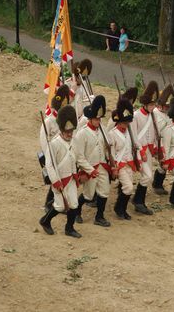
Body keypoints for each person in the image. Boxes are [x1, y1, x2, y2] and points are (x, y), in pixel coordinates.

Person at [39, 105, 82, 238]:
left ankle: (69, 228)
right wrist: (56, 181)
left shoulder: (73, 141)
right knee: (59, 206)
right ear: (62, 130)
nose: (70, 134)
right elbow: (50, 165)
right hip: (59, 179)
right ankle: (45, 221)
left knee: (74, 203)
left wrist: (75, 174)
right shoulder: (54, 144)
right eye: (67, 131)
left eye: (71, 131)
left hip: (71, 178)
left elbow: (72, 158)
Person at [72, 95, 112, 227]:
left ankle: (99, 216)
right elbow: (79, 157)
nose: (98, 121)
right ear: (90, 119)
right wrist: (90, 170)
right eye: (96, 119)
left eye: (100, 118)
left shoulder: (103, 130)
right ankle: (77, 212)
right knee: (88, 195)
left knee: (104, 191)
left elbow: (108, 147)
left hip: (102, 166)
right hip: (90, 167)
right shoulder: (81, 133)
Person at [39, 84, 72, 213]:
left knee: (64, 178)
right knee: (55, 179)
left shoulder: (65, 119)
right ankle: (49, 204)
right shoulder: (49, 121)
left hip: (64, 152)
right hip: (53, 154)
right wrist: (50, 156)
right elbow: (44, 140)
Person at [108, 99, 141, 220]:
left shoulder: (130, 132)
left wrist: (138, 159)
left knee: (127, 187)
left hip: (130, 163)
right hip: (120, 164)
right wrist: (114, 168)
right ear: (119, 121)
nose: (127, 124)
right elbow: (111, 153)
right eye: (125, 122)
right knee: (128, 187)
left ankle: (122, 209)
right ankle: (118, 208)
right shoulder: (112, 133)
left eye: (128, 122)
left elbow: (135, 145)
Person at [131, 81, 159, 215]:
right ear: (146, 104)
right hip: (139, 150)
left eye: (154, 104)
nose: (153, 107)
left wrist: (154, 146)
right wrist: (140, 150)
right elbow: (134, 135)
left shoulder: (152, 115)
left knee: (149, 176)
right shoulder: (136, 115)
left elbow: (153, 133)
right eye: (152, 104)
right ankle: (138, 202)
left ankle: (138, 199)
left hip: (148, 150)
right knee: (147, 176)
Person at [151, 84, 174, 195]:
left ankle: (158, 184)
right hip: (157, 142)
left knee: (165, 164)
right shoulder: (154, 114)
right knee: (162, 163)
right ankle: (156, 184)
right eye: (166, 105)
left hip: (168, 142)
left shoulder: (169, 114)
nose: (167, 107)